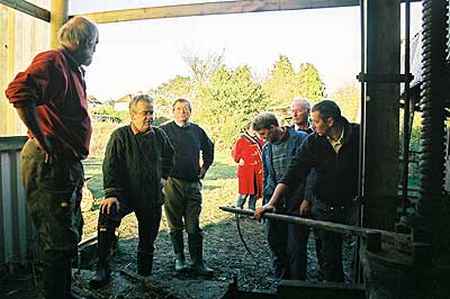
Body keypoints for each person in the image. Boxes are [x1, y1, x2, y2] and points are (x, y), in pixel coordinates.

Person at [4, 16, 98, 299]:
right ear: (81, 42)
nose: (95, 50)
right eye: (94, 44)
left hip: (65, 164)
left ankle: (62, 292)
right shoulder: (54, 61)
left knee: (66, 232)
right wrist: (43, 140)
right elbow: (19, 93)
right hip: (51, 162)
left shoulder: (72, 69)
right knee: (55, 238)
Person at [255, 100, 359, 282]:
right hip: (326, 205)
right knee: (329, 256)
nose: (313, 125)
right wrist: (271, 203)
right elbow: (292, 173)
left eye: (316, 121)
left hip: (355, 204)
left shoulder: (358, 136)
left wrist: (305, 199)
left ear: (330, 121)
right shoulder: (313, 142)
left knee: (360, 253)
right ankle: (332, 288)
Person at [89, 95, 175, 288]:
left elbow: (170, 155)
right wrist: (111, 194)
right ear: (133, 115)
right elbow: (110, 165)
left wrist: (163, 177)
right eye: (145, 113)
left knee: (148, 238)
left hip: (151, 195)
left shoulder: (159, 135)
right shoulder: (120, 135)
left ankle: (144, 274)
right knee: (107, 213)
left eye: (151, 112)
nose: (150, 117)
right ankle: (102, 266)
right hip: (124, 195)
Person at [252, 112, 309, 280]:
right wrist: (266, 202)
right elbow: (267, 176)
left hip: (296, 203)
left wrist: (307, 199)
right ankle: (280, 283)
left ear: (273, 127)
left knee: (296, 249)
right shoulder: (266, 148)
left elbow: (311, 172)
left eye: (263, 134)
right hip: (275, 205)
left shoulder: (300, 139)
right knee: (276, 245)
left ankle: (297, 287)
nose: (262, 138)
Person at [160, 98, 214, 276]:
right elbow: (153, 153)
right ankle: (179, 259)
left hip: (192, 184)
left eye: (186, 109)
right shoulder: (164, 130)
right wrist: (161, 177)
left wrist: (204, 168)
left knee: (193, 225)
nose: (182, 112)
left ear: (190, 111)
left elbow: (209, 148)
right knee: (175, 224)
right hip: (172, 183)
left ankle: (198, 261)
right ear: (173, 111)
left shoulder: (197, 131)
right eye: (178, 109)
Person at [231, 124, 264, 210]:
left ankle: (251, 209)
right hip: (246, 170)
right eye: (253, 129)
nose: (254, 131)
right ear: (248, 129)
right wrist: (239, 159)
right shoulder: (241, 139)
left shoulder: (258, 140)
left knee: (255, 191)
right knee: (244, 191)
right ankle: (238, 208)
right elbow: (235, 153)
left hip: (256, 170)